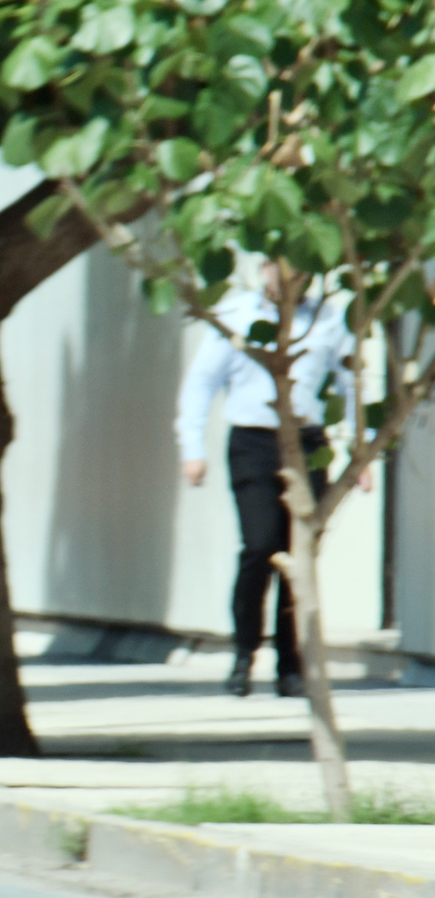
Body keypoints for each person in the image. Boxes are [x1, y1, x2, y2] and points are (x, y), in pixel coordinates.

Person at [176, 264, 365, 698]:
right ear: (264, 270)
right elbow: (202, 383)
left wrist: (364, 445)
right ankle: (244, 654)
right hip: (253, 441)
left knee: (299, 555)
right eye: (277, 266)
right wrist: (192, 448)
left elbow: (350, 379)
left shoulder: (327, 318)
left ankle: (291, 666)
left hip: (306, 442)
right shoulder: (237, 313)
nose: (286, 275)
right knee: (261, 546)